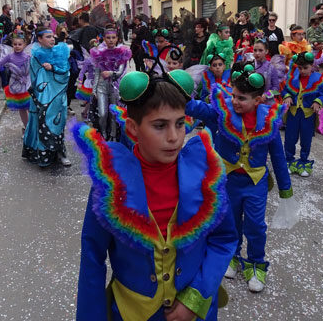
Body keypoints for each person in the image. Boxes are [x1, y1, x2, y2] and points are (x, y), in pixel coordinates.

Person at [73, 66, 237, 320]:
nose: (174, 137)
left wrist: (195, 299)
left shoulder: (206, 173)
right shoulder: (111, 182)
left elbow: (224, 239)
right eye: (159, 126)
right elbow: (92, 258)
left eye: (180, 124)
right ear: (132, 129)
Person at [186, 61, 294, 293]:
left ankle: (256, 263)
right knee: (230, 222)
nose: (235, 101)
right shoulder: (221, 113)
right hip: (228, 181)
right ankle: (232, 256)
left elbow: (278, 156)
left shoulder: (269, 122)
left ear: (258, 100)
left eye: (242, 98)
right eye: (234, 95)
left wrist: (286, 189)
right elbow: (197, 108)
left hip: (255, 182)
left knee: (255, 225)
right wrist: (174, 95)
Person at [22, 26, 71, 167]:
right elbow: (34, 78)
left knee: (58, 124)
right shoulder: (36, 57)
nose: (52, 39)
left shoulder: (61, 52)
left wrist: (53, 68)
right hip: (43, 98)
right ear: (39, 39)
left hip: (58, 96)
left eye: (52, 36)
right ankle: (44, 155)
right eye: (48, 37)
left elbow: (66, 73)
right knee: (42, 124)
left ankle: (61, 153)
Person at [282, 52, 323, 177]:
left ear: (312, 65)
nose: (302, 71)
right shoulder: (292, 77)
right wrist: (287, 96)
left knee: (306, 140)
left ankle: (303, 161)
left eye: (305, 68)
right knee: (290, 139)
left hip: (308, 114)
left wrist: (318, 101)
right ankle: (289, 160)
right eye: (299, 68)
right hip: (293, 113)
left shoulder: (318, 78)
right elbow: (285, 89)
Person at [89, 26, 132, 140]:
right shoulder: (99, 53)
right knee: (103, 114)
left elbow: (120, 72)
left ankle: (113, 135)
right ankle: (103, 132)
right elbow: (97, 73)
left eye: (113, 37)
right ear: (104, 39)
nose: (111, 40)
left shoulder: (122, 52)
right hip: (101, 88)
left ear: (117, 38)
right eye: (108, 38)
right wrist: (94, 90)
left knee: (114, 114)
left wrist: (111, 73)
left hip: (115, 88)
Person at [0, 34, 31, 128]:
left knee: (31, 107)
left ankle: (32, 128)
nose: (17, 46)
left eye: (20, 44)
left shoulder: (28, 56)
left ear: (24, 45)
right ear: (12, 45)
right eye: (15, 44)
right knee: (22, 108)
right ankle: (26, 127)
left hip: (27, 84)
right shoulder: (9, 56)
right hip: (15, 85)